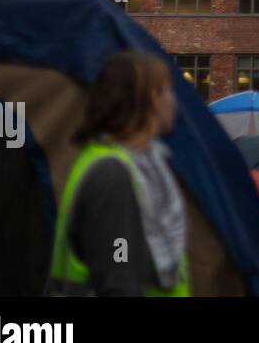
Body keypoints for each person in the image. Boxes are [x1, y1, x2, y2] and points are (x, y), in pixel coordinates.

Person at [48, 51, 189, 296]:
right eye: (168, 90)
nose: (173, 101)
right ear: (154, 97)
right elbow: (118, 274)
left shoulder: (144, 165)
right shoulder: (113, 176)